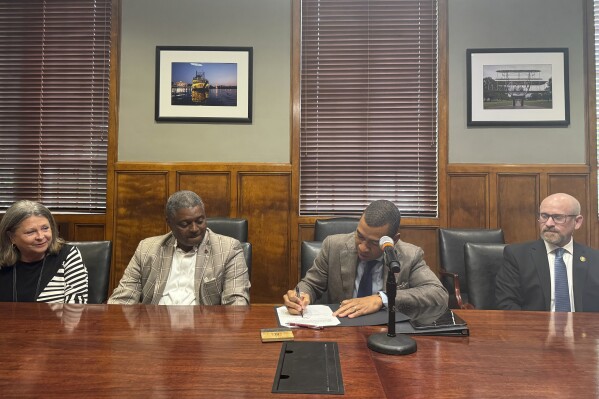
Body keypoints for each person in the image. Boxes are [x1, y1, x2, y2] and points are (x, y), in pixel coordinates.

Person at [284, 200, 448, 318]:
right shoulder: (333, 246)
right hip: (342, 328)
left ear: (393, 240)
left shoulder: (410, 255)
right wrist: (301, 297)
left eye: (374, 243)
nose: (362, 247)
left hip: (387, 332)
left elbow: (438, 294)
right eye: (359, 236)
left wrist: (381, 299)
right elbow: (311, 284)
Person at [108, 190, 250, 305]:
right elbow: (123, 298)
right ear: (169, 223)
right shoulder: (147, 248)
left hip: (204, 331)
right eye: (185, 224)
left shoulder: (229, 249)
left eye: (200, 221)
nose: (195, 229)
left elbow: (236, 305)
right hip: (154, 329)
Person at [495, 193, 599, 312]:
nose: (549, 223)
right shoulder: (517, 256)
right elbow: (506, 303)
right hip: (533, 328)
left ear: (577, 222)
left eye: (558, 217)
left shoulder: (595, 259)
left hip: (584, 328)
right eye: (544, 216)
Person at [0, 200, 88, 303]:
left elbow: (75, 308)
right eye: (30, 232)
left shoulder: (68, 255)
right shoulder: (2, 260)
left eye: (45, 228)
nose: (41, 237)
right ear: (11, 237)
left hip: (57, 320)